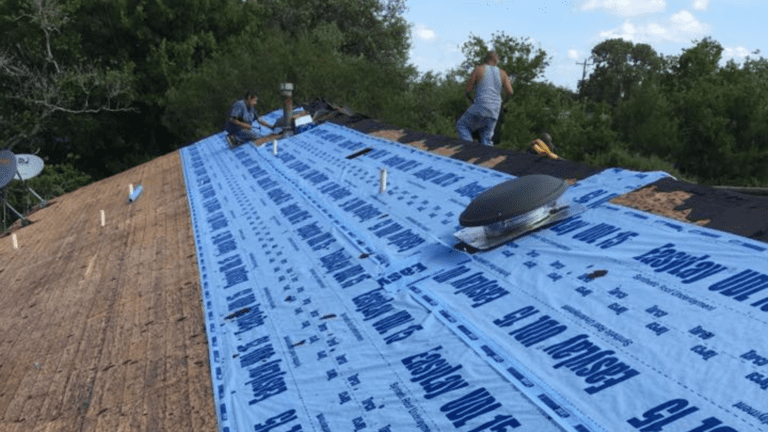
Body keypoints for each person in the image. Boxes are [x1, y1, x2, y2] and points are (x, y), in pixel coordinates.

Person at [456, 51, 515, 146]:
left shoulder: (479, 69)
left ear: (487, 59)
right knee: (486, 136)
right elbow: (510, 92)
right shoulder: (503, 73)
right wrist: (503, 103)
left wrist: (471, 99)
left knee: (462, 126)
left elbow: (468, 90)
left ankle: (468, 148)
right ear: (496, 60)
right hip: (494, 110)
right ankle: (484, 157)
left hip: (480, 106)